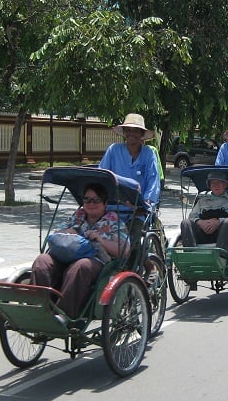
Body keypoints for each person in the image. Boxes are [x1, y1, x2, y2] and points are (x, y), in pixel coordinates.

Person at [31, 183, 129, 319]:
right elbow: (56, 234)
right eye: (87, 200)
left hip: (96, 260)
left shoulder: (113, 222)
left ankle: (64, 315)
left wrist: (101, 240)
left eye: (96, 200)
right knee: (42, 261)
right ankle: (39, 309)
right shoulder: (77, 217)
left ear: (105, 203)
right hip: (65, 256)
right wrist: (69, 231)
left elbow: (124, 250)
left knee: (81, 266)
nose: (91, 203)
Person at [98, 113, 161, 209]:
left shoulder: (148, 153)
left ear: (142, 134)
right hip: (114, 207)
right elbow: (102, 176)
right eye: (128, 130)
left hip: (139, 208)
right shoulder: (113, 150)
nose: (131, 134)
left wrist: (146, 205)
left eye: (135, 131)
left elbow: (153, 181)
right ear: (124, 132)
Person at [179, 171, 228, 253]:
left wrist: (219, 222)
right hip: (202, 232)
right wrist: (199, 222)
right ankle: (190, 253)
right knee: (185, 222)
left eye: (220, 182)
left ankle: (221, 255)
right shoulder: (202, 201)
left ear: (225, 185)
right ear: (209, 186)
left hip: (223, 235)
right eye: (213, 183)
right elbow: (192, 216)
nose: (216, 185)